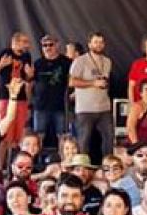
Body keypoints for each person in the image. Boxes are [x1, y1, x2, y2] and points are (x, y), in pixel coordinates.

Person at [69, 32, 114, 162]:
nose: (98, 45)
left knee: (109, 139)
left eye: (101, 42)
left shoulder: (107, 61)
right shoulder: (80, 61)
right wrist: (93, 83)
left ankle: (108, 166)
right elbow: (71, 82)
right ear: (89, 44)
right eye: (95, 42)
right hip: (85, 108)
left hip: (104, 107)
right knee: (84, 141)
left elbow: (105, 80)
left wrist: (103, 84)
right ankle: (82, 168)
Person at [32, 35, 72, 147]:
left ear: (57, 45)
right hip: (40, 106)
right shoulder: (37, 63)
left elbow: (73, 81)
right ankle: (36, 157)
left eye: (50, 45)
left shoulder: (66, 62)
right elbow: (31, 83)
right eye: (44, 45)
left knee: (63, 136)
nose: (47, 48)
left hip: (60, 106)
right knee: (38, 136)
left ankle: (64, 157)